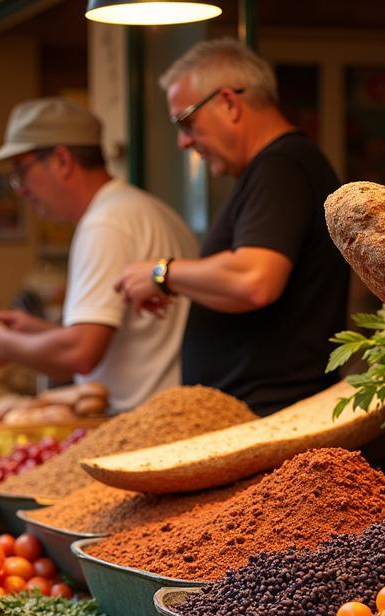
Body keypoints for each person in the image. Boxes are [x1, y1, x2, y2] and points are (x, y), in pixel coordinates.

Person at [113, 39, 350, 416]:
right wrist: (178, 281)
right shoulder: (275, 167)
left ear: (228, 102)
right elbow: (249, 287)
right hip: (258, 419)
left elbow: (254, 281)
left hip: (270, 422)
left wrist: (163, 272)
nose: (182, 141)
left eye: (186, 121)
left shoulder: (282, 166)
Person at [0, 98, 197, 412]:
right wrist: (38, 330)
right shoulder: (144, 208)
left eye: (22, 172)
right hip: (171, 415)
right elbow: (119, 338)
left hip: (146, 428)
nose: (20, 190)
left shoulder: (105, 223)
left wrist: (2, 344)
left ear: (62, 160)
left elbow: (80, 353)